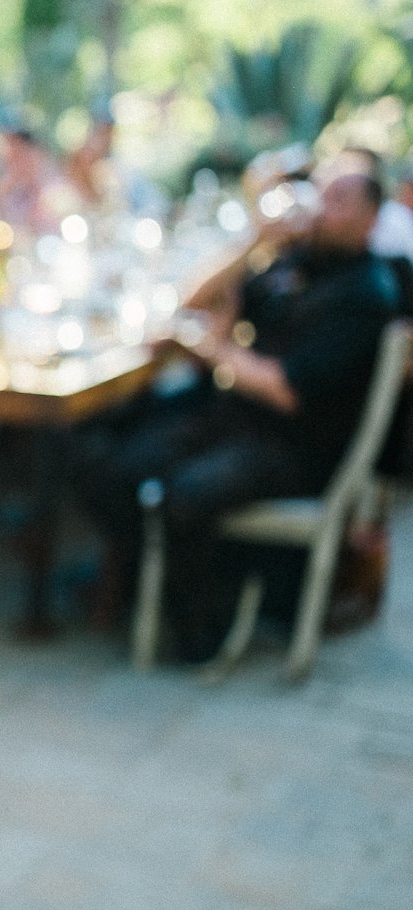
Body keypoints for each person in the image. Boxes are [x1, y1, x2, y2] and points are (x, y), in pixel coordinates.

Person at [76, 151, 403, 657]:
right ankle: (141, 591)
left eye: (339, 199)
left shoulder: (366, 293)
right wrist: (254, 237)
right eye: (320, 192)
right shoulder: (293, 260)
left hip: (298, 445)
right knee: (113, 464)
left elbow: (285, 388)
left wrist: (214, 348)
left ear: (371, 217)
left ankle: (203, 630)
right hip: (235, 418)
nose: (321, 207)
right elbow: (193, 302)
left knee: (184, 496)